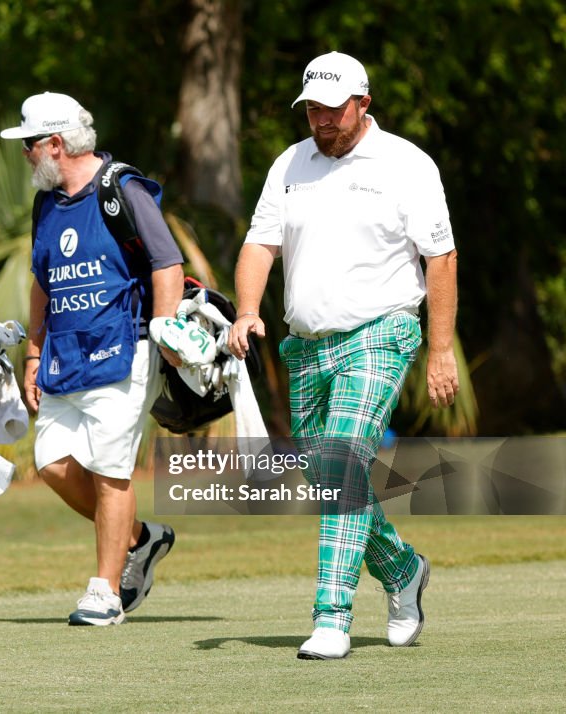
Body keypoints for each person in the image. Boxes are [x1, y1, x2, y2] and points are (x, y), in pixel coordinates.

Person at [227, 52, 459, 659]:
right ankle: (403, 569)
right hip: (305, 349)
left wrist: (439, 350)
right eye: (312, 109)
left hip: (380, 334)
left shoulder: (407, 164)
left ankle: (332, 616)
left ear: (363, 103)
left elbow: (440, 258)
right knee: (330, 476)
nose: (321, 121)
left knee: (341, 465)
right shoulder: (290, 163)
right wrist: (248, 310)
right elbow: (259, 244)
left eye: (333, 109)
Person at [1, 92, 184, 626]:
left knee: (111, 473)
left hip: (124, 349)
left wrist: (167, 331)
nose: (26, 156)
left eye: (30, 145)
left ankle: (104, 592)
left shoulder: (121, 188)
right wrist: (32, 354)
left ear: (56, 144)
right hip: (64, 354)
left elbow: (166, 264)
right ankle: (139, 539)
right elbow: (43, 282)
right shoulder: (46, 202)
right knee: (53, 465)